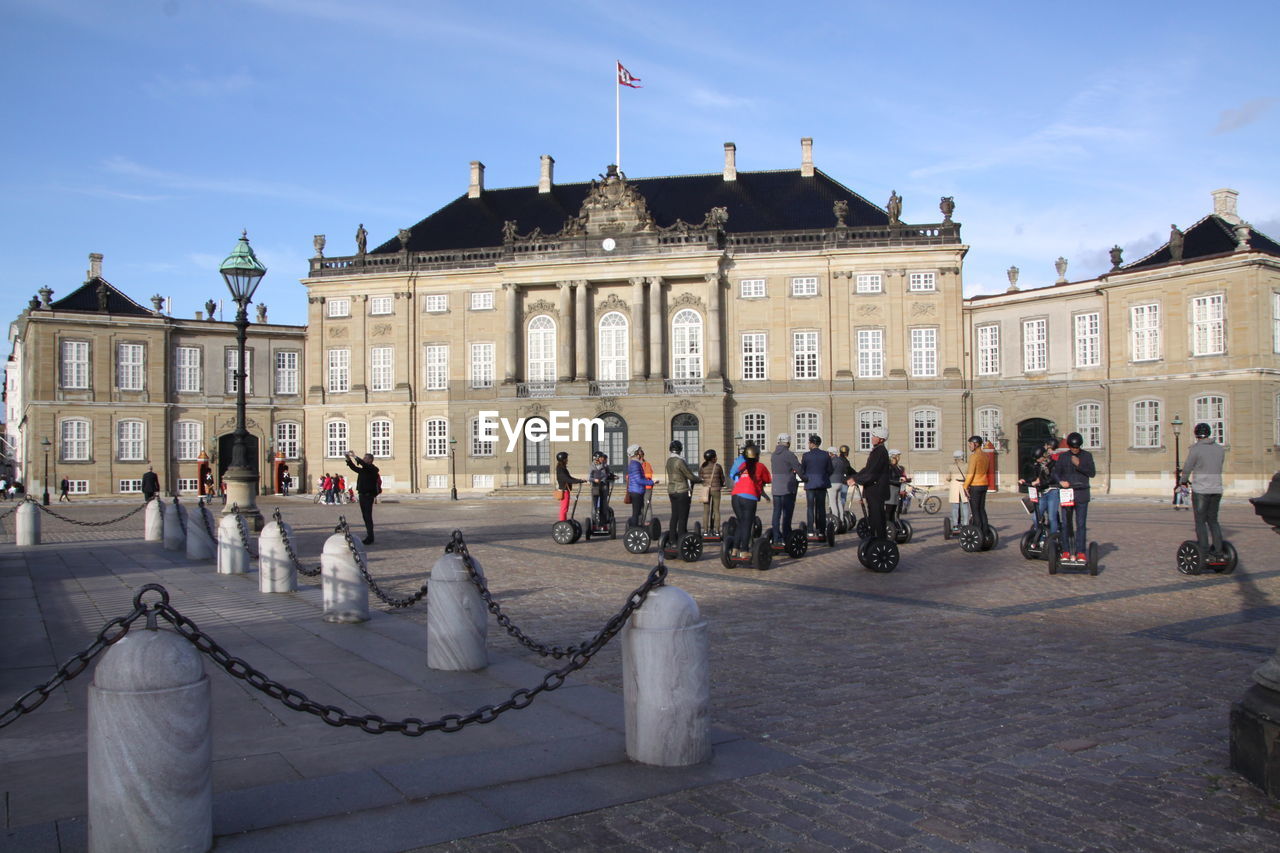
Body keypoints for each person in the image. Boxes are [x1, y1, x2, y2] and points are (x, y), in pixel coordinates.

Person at [1181, 422, 1225, 558]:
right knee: (1213, 520)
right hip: (1217, 488)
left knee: (1200, 521)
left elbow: (1188, 467)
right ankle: (1218, 551)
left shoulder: (1195, 449)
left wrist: (1183, 481)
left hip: (1201, 489)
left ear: (1196, 435)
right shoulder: (1220, 449)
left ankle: (1204, 550)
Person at [1052, 432, 1096, 560]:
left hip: (1082, 493)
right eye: (1072, 447)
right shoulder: (1063, 457)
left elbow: (1092, 473)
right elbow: (1056, 473)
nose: (1074, 449)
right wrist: (1060, 481)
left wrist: (1079, 465)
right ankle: (1066, 551)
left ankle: (1081, 552)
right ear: (1069, 446)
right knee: (1066, 524)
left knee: (1081, 524)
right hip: (1067, 493)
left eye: (1076, 447)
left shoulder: (1087, 456)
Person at [729, 444, 772, 558]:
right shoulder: (760, 466)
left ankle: (734, 549)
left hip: (735, 496)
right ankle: (744, 551)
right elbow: (768, 479)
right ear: (757, 456)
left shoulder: (743, 465)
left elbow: (735, 474)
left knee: (741, 523)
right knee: (747, 524)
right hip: (749, 497)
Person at [852, 427, 891, 539]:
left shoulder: (880, 452)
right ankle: (874, 539)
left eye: (875, 436)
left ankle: (880, 541)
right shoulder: (877, 451)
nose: (872, 438)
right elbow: (867, 469)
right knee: (873, 517)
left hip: (876, 490)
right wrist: (855, 476)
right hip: (873, 490)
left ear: (881, 439)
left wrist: (856, 479)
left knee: (877, 517)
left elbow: (872, 473)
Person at [769, 433, 803, 544]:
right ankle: (786, 535)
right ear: (788, 443)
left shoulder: (773, 455)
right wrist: (805, 478)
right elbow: (798, 468)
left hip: (776, 489)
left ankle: (776, 537)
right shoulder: (789, 454)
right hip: (787, 488)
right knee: (787, 514)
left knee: (776, 513)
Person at [665, 441, 701, 540]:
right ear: (680, 449)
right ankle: (681, 538)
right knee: (682, 517)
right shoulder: (680, 461)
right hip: (682, 490)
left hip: (671, 490)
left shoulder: (669, 461)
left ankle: (672, 539)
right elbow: (689, 475)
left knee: (674, 516)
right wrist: (700, 480)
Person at [344, 451, 381, 545]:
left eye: (365, 458)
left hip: (368, 496)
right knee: (365, 516)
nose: (364, 459)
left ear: (370, 460)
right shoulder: (364, 469)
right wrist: (348, 459)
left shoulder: (373, 469)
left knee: (368, 517)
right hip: (362, 495)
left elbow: (363, 464)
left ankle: (370, 537)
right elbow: (353, 467)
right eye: (364, 458)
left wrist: (355, 456)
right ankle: (369, 536)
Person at [801, 434, 833, 532]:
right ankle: (821, 529)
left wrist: (806, 478)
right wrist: (824, 476)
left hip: (810, 484)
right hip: (822, 484)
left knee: (810, 507)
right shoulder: (825, 454)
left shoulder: (806, 455)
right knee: (821, 508)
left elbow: (803, 470)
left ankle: (810, 530)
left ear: (811, 443)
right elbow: (830, 469)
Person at [962, 435, 992, 537]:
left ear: (976, 444)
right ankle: (985, 530)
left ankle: (977, 532)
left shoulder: (974, 457)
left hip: (975, 485)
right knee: (981, 509)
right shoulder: (985, 456)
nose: (969, 446)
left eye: (970, 444)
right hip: (984, 484)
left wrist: (965, 486)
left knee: (975, 510)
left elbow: (971, 473)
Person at [625, 445, 657, 528]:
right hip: (636, 491)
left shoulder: (635, 463)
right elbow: (638, 480)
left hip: (637, 490)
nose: (641, 452)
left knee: (638, 512)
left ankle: (637, 529)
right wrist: (651, 482)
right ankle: (634, 531)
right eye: (639, 451)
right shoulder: (635, 464)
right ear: (636, 453)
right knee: (636, 513)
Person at [699, 449, 726, 534]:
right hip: (716, 490)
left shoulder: (702, 466)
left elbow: (700, 477)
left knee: (706, 511)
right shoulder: (718, 466)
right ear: (713, 458)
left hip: (706, 490)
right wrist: (721, 484)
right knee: (716, 510)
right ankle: (717, 530)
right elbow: (722, 478)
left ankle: (706, 530)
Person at [554, 451, 585, 522]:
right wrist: (578, 481)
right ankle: (562, 522)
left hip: (565, 491)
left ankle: (564, 521)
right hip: (564, 492)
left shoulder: (562, 468)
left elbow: (569, 477)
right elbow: (567, 479)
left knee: (565, 508)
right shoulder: (560, 469)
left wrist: (579, 480)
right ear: (563, 459)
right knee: (564, 509)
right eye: (566, 458)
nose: (567, 460)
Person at [588, 451, 616, 524]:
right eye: (601, 457)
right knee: (595, 504)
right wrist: (595, 480)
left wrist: (613, 476)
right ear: (596, 458)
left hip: (604, 486)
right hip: (595, 487)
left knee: (604, 504)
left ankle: (603, 521)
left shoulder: (605, 466)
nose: (602, 458)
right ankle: (594, 522)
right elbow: (589, 478)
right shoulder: (592, 466)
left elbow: (608, 474)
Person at [945, 450, 970, 528]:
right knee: (965, 506)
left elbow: (948, 478)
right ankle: (965, 523)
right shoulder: (967, 465)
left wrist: (950, 479)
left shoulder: (951, 466)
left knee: (955, 507)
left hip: (954, 486)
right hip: (964, 486)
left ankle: (955, 524)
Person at [829, 446, 853, 521]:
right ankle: (841, 518)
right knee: (839, 501)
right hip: (841, 482)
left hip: (834, 482)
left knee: (833, 502)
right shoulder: (841, 461)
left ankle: (835, 518)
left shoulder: (833, 461)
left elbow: (829, 470)